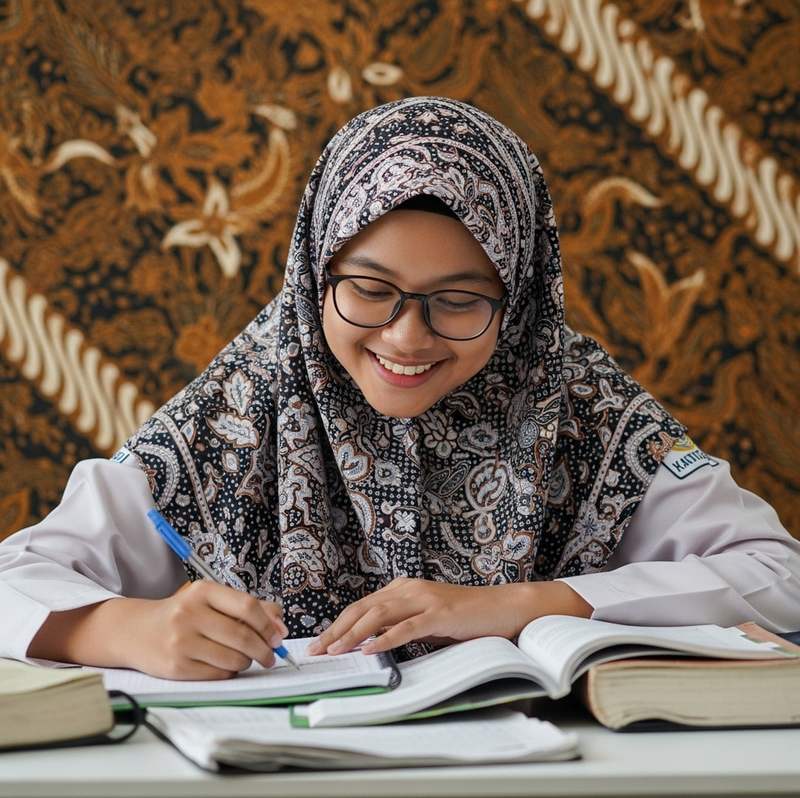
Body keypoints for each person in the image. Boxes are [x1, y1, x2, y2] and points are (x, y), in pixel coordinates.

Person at [2, 96, 799, 681]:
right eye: (371, 289)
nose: (407, 338)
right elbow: (16, 579)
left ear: (517, 299)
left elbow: (782, 576)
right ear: (317, 276)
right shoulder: (244, 403)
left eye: (459, 300)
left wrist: (527, 603)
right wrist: (117, 630)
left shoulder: (581, 405)